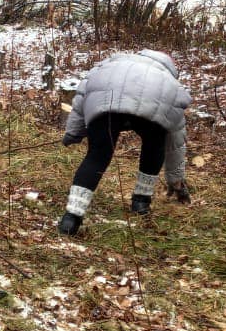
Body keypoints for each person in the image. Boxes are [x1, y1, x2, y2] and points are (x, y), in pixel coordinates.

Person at [57, 49, 193, 235]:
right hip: (152, 107)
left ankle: (71, 218)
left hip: (106, 104)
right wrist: (176, 180)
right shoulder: (171, 84)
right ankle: (141, 202)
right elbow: (176, 142)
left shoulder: (109, 65)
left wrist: (73, 133)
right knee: (155, 144)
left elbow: (81, 96)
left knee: (97, 156)